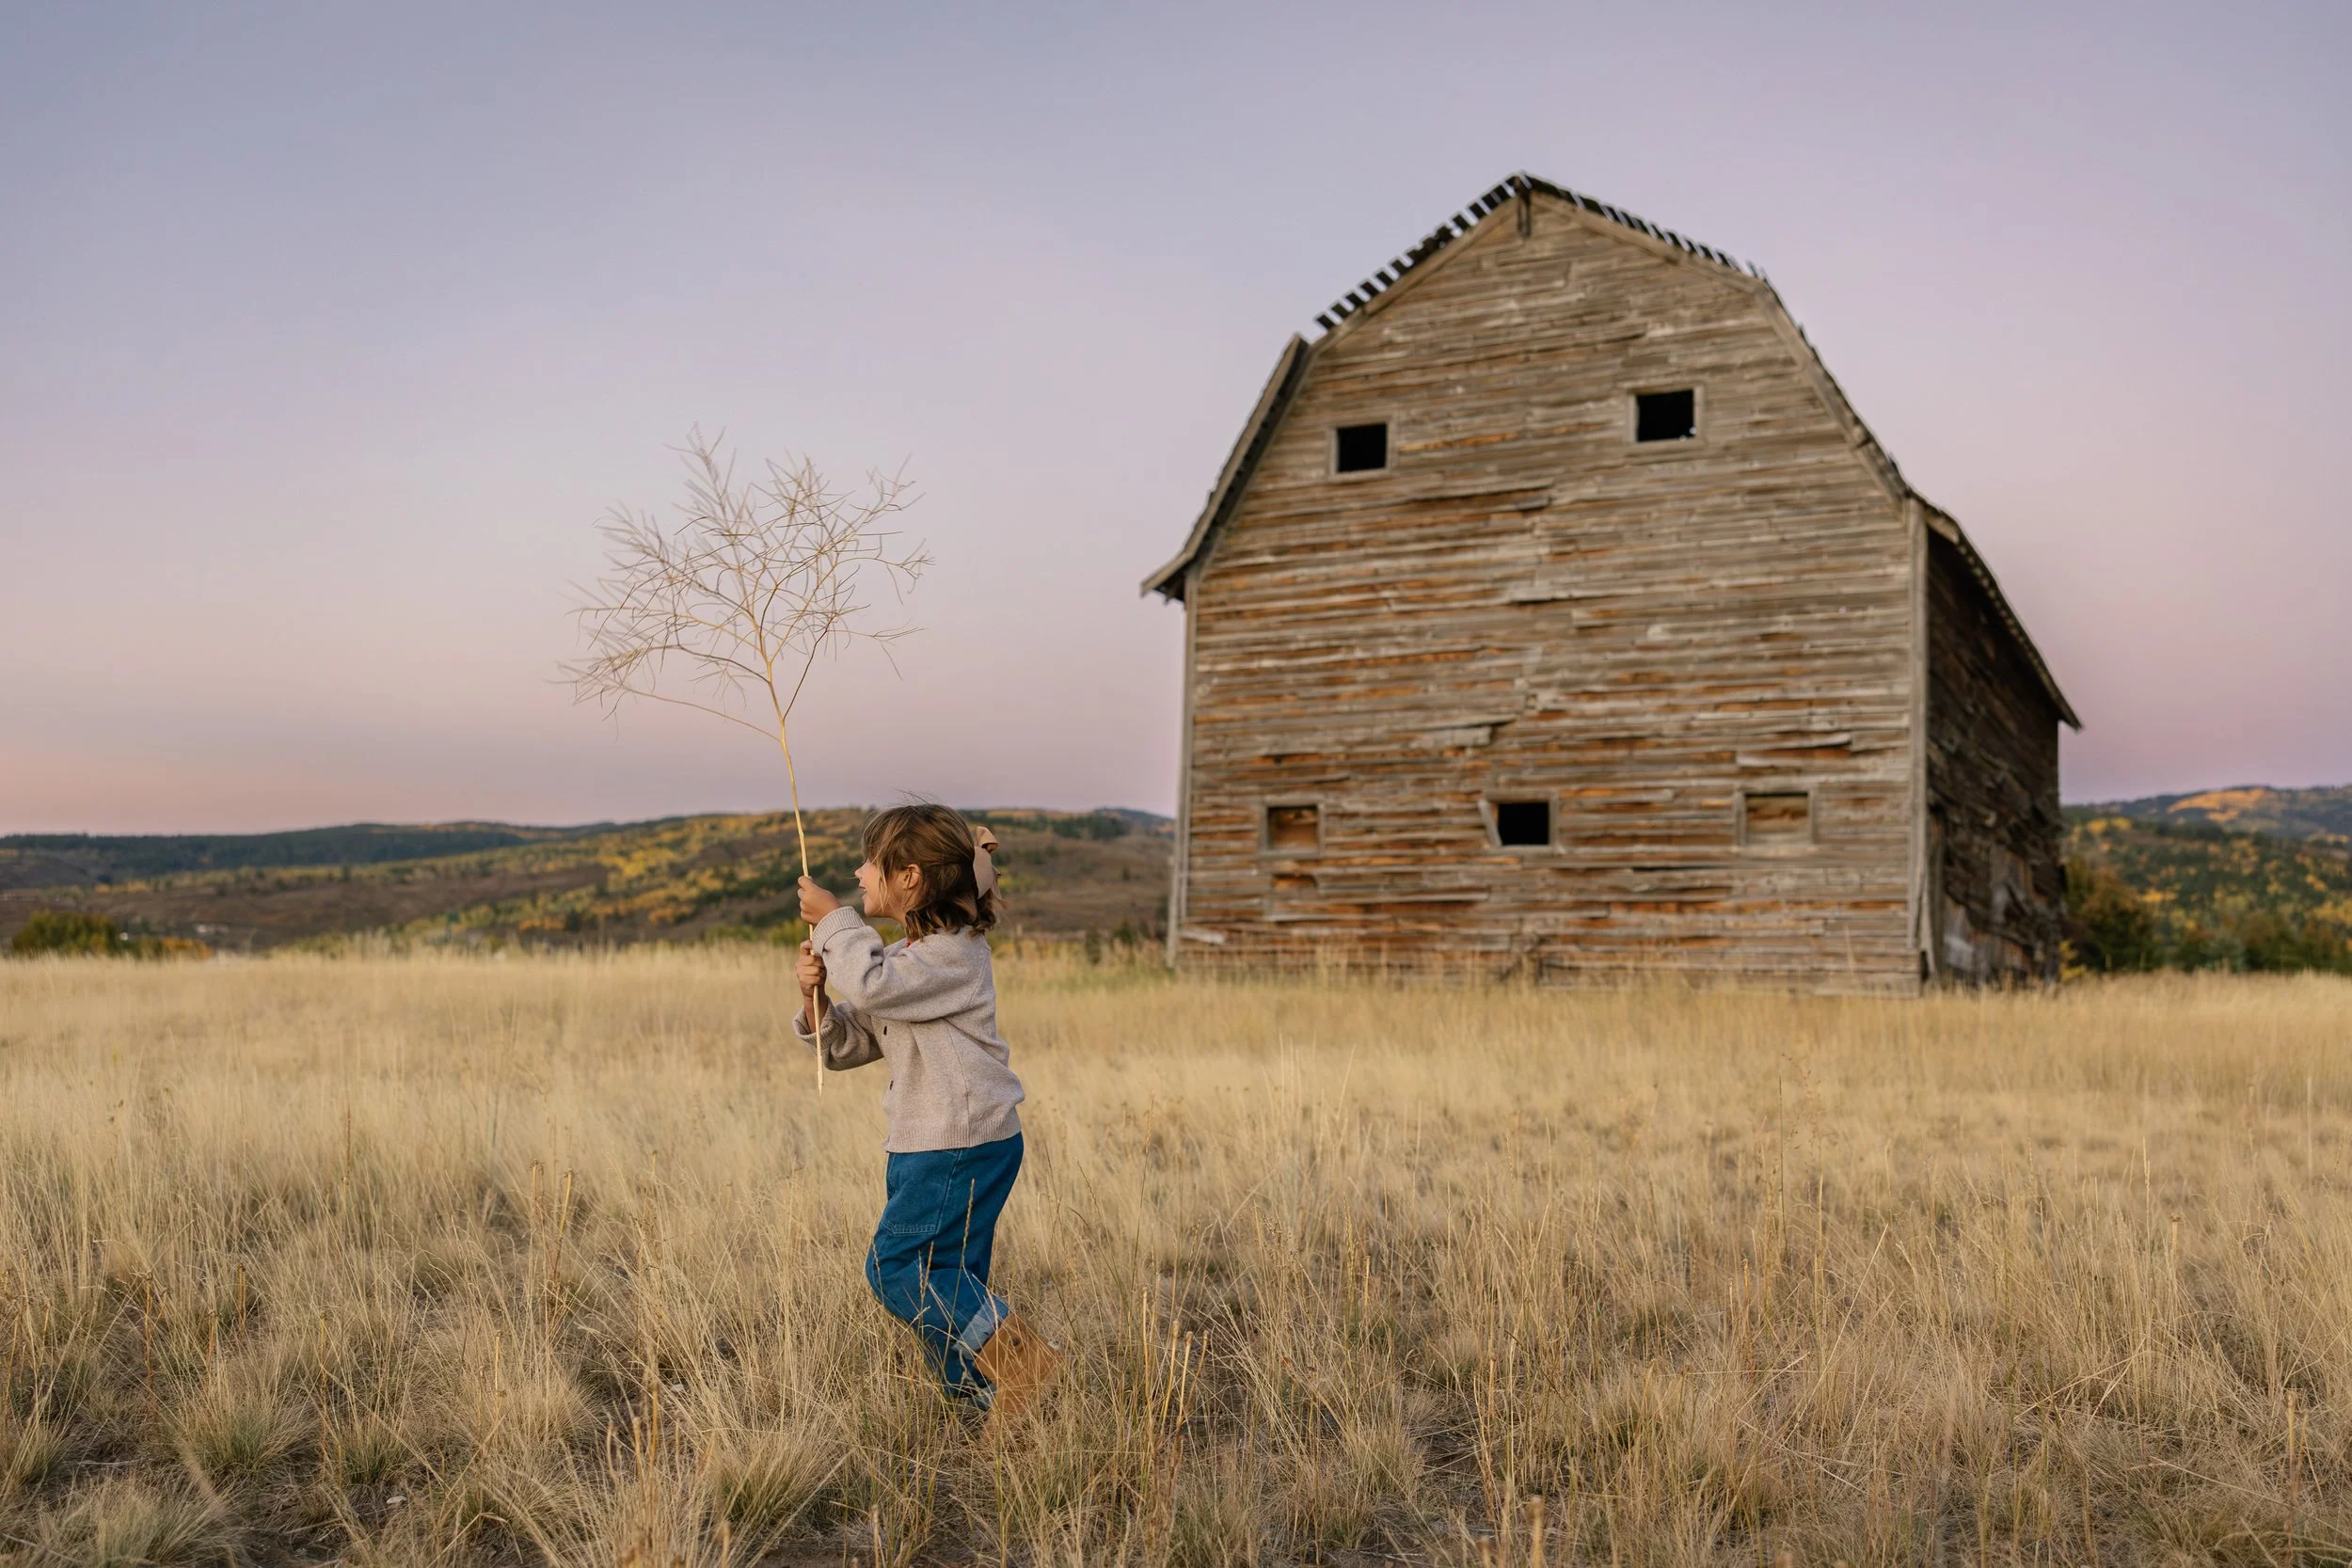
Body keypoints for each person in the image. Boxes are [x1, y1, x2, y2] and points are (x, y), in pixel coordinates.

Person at [794, 803, 1057, 1429]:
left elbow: (876, 986)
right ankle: (987, 1401)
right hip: (938, 1140)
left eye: (870, 863)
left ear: (909, 878)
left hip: (959, 1139)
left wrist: (835, 919)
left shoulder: (952, 954)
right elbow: (848, 1043)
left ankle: (1025, 1362)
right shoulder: (915, 960)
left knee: (897, 1269)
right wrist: (815, 998)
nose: (859, 874)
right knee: (947, 1277)